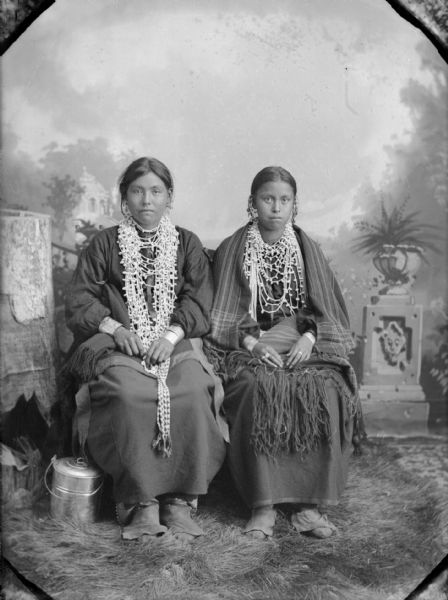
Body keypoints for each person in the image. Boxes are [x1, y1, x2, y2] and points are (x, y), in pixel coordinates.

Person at [65, 157, 226, 542]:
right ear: (124, 197)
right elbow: (78, 299)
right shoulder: (104, 243)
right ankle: (139, 502)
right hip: (118, 343)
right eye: (137, 191)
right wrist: (115, 327)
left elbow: (200, 300)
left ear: (169, 197)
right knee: (127, 393)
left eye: (156, 191)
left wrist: (171, 336)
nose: (146, 200)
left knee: (190, 390)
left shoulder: (186, 243)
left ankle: (180, 501)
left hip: (172, 341)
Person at [205, 166, 363, 539]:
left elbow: (322, 307)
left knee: (323, 389)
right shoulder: (234, 248)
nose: (276, 207)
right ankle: (264, 505)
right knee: (256, 389)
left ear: (295, 204)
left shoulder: (306, 248)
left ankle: (307, 506)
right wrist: (253, 343)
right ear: (252, 203)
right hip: (247, 347)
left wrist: (308, 338)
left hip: (304, 343)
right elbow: (223, 314)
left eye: (284, 200)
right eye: (267, 199)